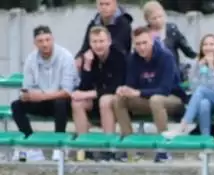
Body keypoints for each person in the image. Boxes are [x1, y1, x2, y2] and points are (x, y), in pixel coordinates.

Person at [112, 27, 187, 162]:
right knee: (119, 99)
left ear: (152, 41)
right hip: (147, 99)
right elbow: (131, 85)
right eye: (138, 44)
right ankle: (130, 148)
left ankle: (163, 149)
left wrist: (138, 92)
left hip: (172, 98)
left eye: (144, 43)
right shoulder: (133, 59)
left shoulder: (166, 57)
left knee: (156, 100)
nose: (141, 47)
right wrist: (124, 90)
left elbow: (164, 89)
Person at [12, 26, 75, 163]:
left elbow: (67, 91)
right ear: (35, 43)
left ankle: (59, 145)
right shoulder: (31, 59)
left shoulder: (65, 57)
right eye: (40, 41)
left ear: (53, 39)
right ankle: (31, 144)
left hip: (62, 101)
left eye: (47, 40)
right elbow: (27, 87)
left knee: (60, 103)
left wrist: (42, 96)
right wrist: (26, 95)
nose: (45, 44)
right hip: (41, 100)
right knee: (16, 105)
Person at [71, 25, 127, 161]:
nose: (98, 45)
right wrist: (87, 66)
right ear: (90, 44)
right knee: (77, 103)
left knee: (105, 100)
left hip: (116, 99)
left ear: (109, 41)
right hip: (95, 98)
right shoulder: (89, 58)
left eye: (101, 41)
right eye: (94, 42)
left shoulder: (119, 56)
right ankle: (84, 148)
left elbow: (115, 87)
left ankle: (109, 148)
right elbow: (84, 87)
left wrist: (87, 94)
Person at [164, 33, 214, 139]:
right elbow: (193, 87)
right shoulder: (197, 63)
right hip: (204, 97)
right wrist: (202, 69)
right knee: (203, 103)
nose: (208, 47)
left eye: (212, 44)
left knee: (202, 91)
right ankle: (205, 139)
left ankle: (182, 126)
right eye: (205, 45)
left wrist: (211, 67)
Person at [143, 1, 197, 80]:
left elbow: (187, 49)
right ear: (147, 19)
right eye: (154, 18)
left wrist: (200, 56)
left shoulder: (172, 30)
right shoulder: (144, 34)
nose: (158, 20)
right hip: (152, 74)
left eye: (160, 16)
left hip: (172, 73)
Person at [75, 0, 133, 70]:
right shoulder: (93, 24)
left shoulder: (124, 24)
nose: (104, 7)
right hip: (96, 65)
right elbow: (85, 46)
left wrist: (91, 51)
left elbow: (117, 48)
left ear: (115, 5)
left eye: (107, 4)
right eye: (101, 4)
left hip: (118, 66)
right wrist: (80, 57)